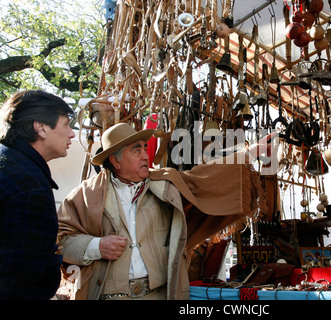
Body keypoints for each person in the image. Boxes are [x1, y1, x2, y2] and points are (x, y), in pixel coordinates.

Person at [57, 123, 276, 300]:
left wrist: (251, 151)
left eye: (145, 148)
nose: (146, 155)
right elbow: (61, 241)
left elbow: (206, 175)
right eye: (137, 151)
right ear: (115, 161)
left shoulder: (165, 184)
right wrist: (96, 246)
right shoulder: (86, 196)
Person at [0, 90, 75, 299]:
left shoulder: (10, 163)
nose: (72, 134)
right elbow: (19, 279)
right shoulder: (28, 184)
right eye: (66, 124)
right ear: (41, 127)